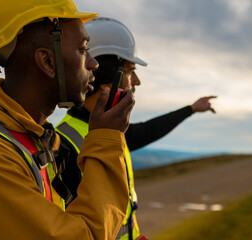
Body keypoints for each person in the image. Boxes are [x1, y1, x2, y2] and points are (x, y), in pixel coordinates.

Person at [0, 1, 135, 239]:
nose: (93, 63)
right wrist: (106, 139)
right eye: (83, 49)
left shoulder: (34, 138)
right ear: (47, 62)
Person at [56, 17, 216, 240]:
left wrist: (191, 109)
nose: (137, 82)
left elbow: (147, 131)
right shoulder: (62, 144)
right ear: (107, 80)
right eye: (131, 71)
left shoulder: (110, 132)